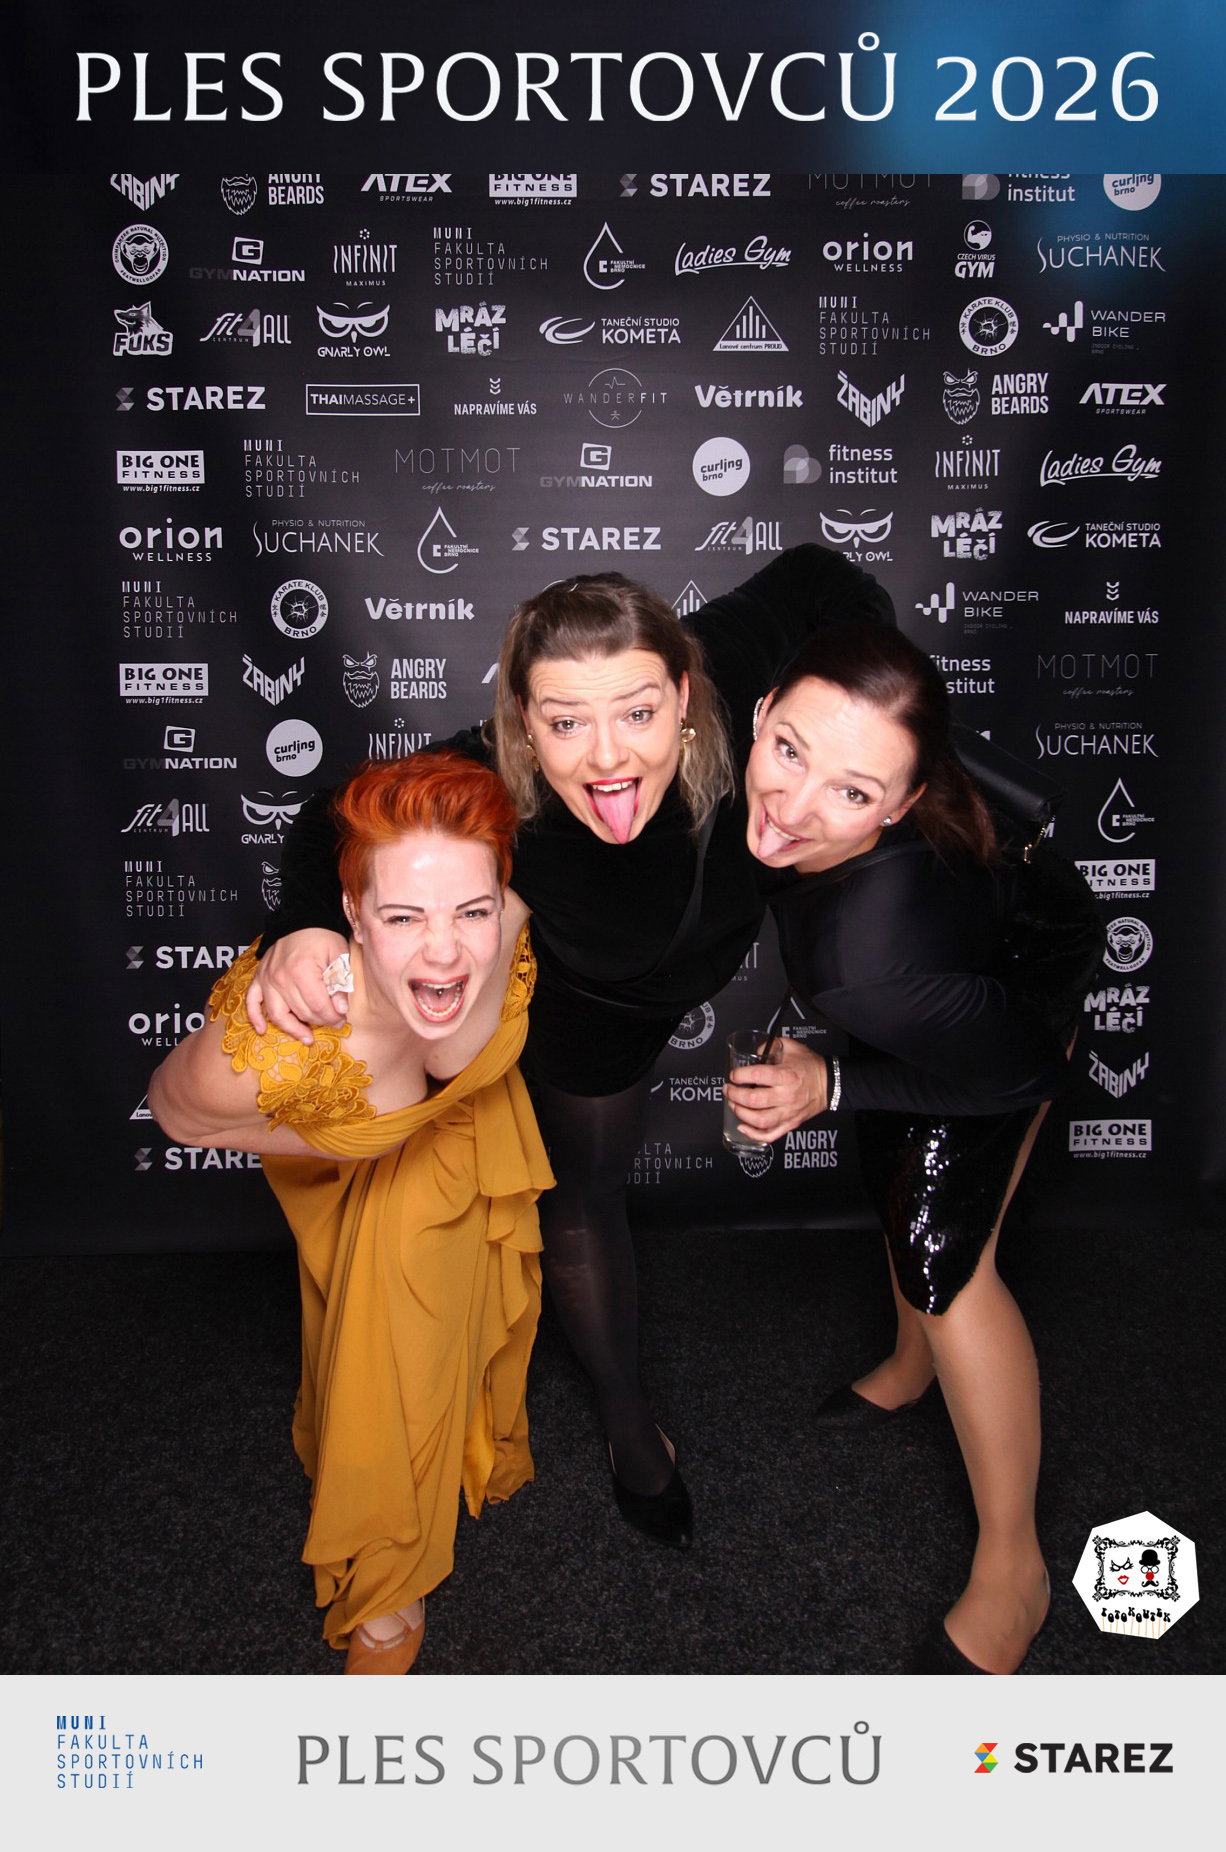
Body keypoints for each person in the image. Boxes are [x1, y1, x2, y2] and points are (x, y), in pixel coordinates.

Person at [247, 548, 894, 1546]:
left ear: (684, 692)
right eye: (563, 723)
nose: (606, 757)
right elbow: (331, 816)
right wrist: (301, 925)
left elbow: (820, 575)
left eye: (637, 712)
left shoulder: (727, 666)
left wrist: (862, 720)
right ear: (521, 722)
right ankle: (630, 1427)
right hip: (591, 1014)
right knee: (585, 1196)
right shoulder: (482, 776)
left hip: (712, 939)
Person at [725, 622, 1104, 1674]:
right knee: (890, 1175)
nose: (791, 805)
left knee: (943, 1255)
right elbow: (813, 579)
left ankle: (1014, 1569)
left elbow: (1019, 1072)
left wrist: (833, 1082)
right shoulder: (831, 822)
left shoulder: (869, 964)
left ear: (897, 804)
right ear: (760, 711)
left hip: (1013, 989)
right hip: (927, 966)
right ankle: (909, 1368)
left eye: (850, 792)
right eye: (789, 749)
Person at [148, 753, 552, 1673]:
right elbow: (175, 1111)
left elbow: (467, 1017)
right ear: (351, 917)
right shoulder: (291, 1038)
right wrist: (348, 1137)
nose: (445, 952)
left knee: (435, 1348)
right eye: (403, 917)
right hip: (366, 1161)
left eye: (471, 912)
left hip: (468, 1136)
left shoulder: (509, 917)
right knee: (389, 1363)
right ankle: (387, 1586)